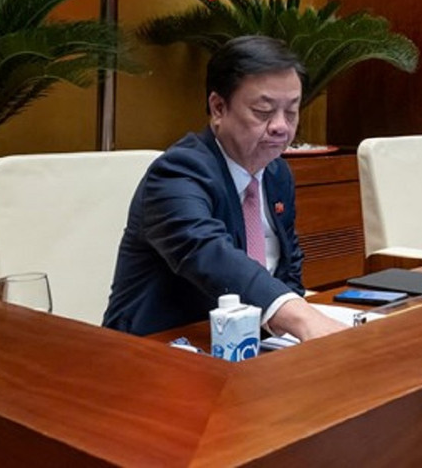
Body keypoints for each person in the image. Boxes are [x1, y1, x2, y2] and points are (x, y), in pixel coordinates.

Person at [103, 36, 348, 340]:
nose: (281, 126)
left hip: (250, 345)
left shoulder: (277, 173)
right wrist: (301, 318)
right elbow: (209, 253)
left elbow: (289, 264)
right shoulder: (178, 173)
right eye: (263, 111)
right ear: (218, 107)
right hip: (160, 347)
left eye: (291, 111)